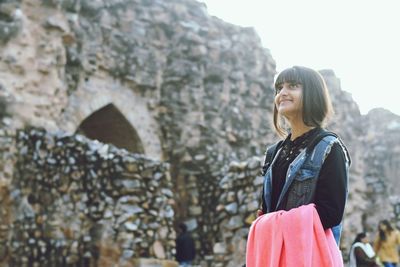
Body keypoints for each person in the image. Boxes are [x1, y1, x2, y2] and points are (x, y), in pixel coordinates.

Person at [246, 66, 351, 266]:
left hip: (308, 257)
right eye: (279, 88)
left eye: (292, 86)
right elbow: (267, 210)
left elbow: (331, 213)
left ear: (312, 93)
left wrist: (271, 224)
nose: (282, 93)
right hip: (272, 258)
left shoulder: (330, 148)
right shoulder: (273, 153)